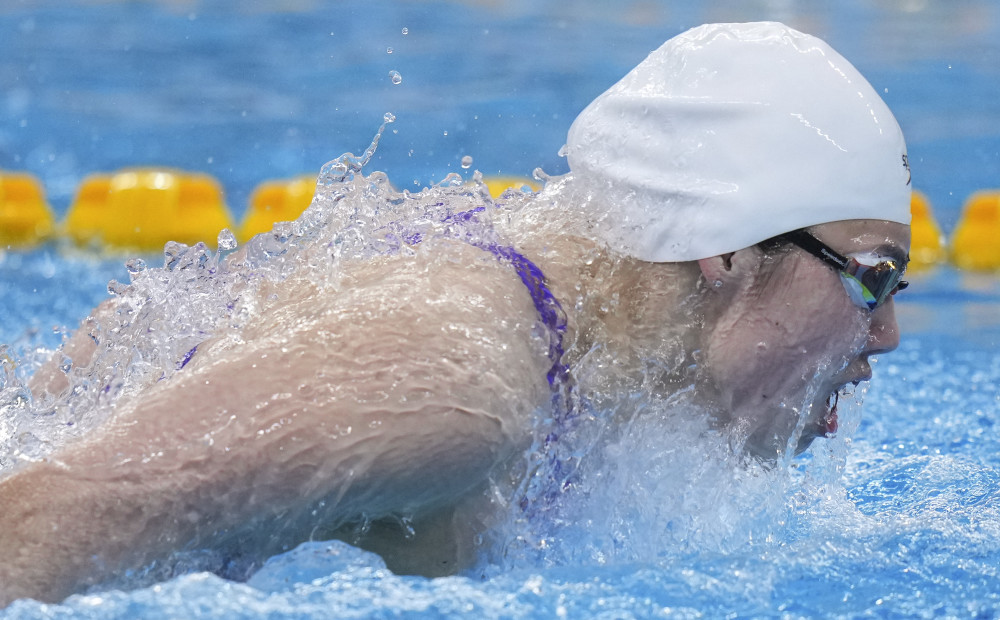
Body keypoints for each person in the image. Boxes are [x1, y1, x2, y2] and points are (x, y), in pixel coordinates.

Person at [0, 21, 911, 605]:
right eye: (871, 279)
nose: (888, 334)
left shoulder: (588, 342)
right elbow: (40, 523)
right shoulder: (457, 390)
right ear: (725, 248)